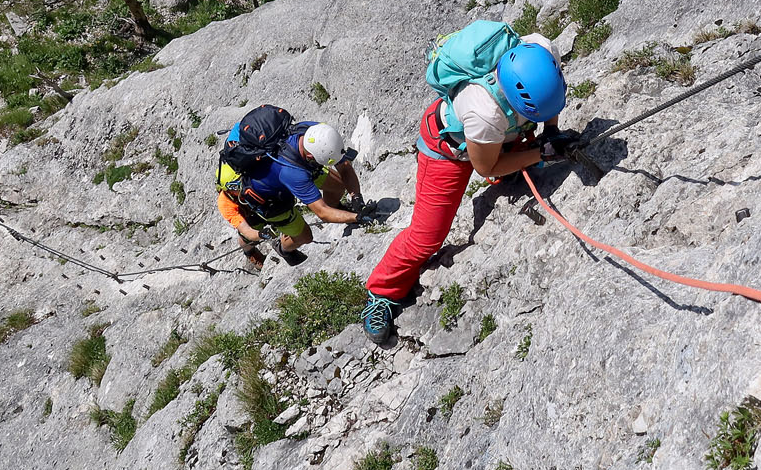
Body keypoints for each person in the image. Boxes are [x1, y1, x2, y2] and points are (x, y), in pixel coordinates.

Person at [362, 28, 572, 342]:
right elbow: (485, 166)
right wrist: (538, 153)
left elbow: (550, 102)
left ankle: (518, 150)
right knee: (427, 238)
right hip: (448, 150)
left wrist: (551, 133)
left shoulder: (540, 51)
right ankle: (381, 293)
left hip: (501, 134)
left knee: (520, 156)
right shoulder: (483, 111)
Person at [217, 118, 364, 270]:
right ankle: (279, 249)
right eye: (235, 188)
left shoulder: (315, 133)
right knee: (304, 236)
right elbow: (322, 212)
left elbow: (343, 165)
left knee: (337, 186)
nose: (238, 189)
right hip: (268, 200)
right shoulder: (226, 203)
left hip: (293, 166)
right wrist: (261, 234)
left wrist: (356, 196)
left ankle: (337, 207)